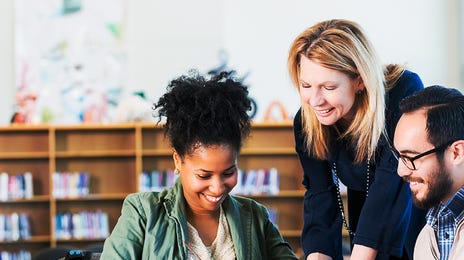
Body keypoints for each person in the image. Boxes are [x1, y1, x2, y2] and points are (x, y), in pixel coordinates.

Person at [100, 71, 298, 259]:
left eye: (228, 173)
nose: (217, 187)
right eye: (204, 175)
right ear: (178, 160)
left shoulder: (255, 217)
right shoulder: (143, 213)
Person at [287, 19, 426, 260]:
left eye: (328, 87)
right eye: (306, 85)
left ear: (359, 80)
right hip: (364, 214)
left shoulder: (402, 91)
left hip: (413, 206)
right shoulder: (307, 121)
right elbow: (320, 195)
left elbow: (392, 179)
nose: (315, 100)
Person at [393, 85, 464, 259]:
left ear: (457, 153)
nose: (401, 171)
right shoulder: (426, 236)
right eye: (398, 156)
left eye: (410, 157)